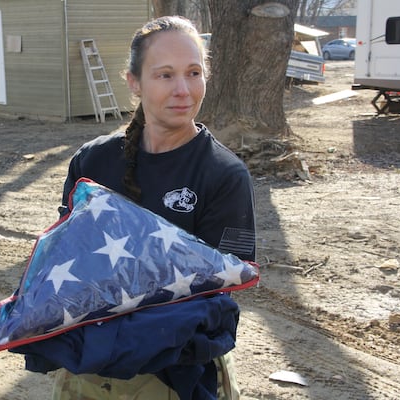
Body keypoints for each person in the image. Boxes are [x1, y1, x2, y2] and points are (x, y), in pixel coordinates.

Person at [54, 15, 256, 400]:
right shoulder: (92, 164)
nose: (183, 89)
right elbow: (67, 263)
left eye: (194, 73)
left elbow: (220, 293)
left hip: (174, 376)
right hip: (88, 371)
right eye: (165, 75)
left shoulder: (224, 175)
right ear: (134, 82)